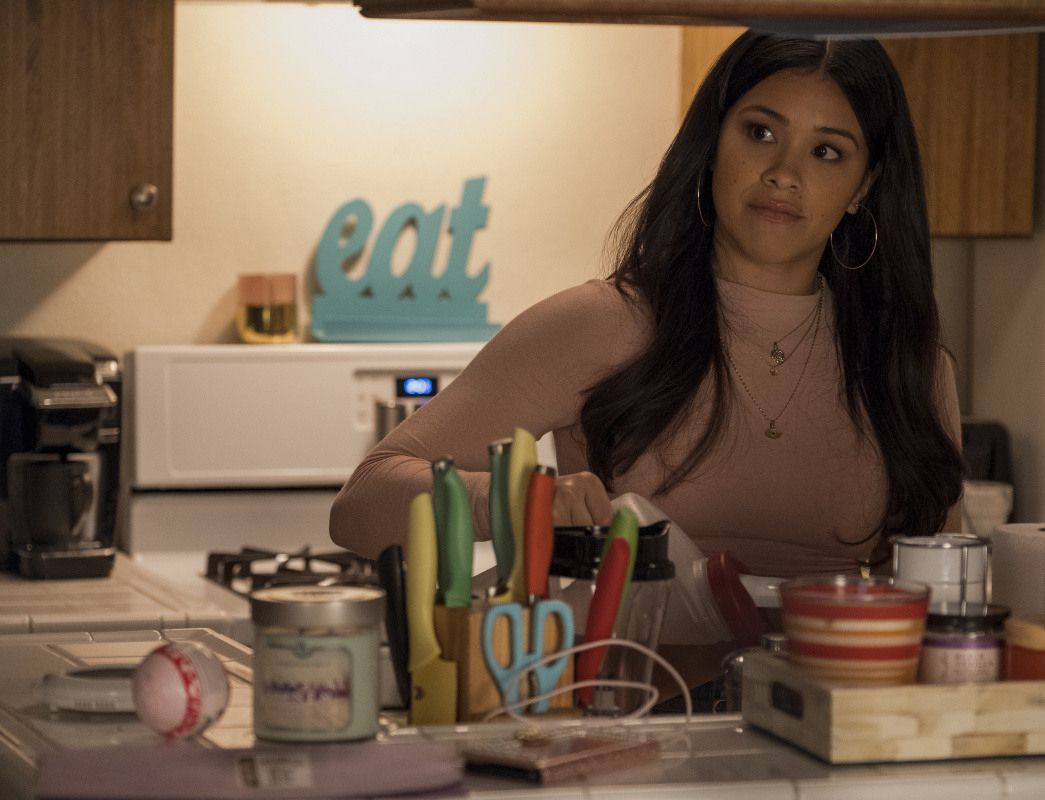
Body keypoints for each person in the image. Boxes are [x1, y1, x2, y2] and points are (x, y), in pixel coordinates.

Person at [331, 32, 964, 583]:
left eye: (826, 151)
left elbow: (948, 590)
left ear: (864, 186)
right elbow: (361, 504)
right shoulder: (597, 325)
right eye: (761, 132)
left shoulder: (910, 364)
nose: (783, 172)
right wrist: (514, 500)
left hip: (845, 689)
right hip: (629, 687)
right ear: (712, 143)